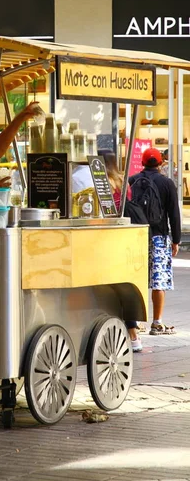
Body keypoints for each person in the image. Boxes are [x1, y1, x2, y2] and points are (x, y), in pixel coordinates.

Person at [129, 147, 181, 336]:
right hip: (159, 237)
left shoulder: (133, 180)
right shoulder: (167, 183)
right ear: (160, 163)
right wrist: (176, 240)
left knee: (137, 278)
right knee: (159, 280)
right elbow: (174, 214)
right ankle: (157, 322)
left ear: (142, 163)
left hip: (136, 236)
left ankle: (138, 323)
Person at [102, 151, 142, 352]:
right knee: (123, 285)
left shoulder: (103, 183)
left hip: (106, 237)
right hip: (124, 238)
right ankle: (132, 334)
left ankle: (126, 331)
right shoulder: (123, 181)